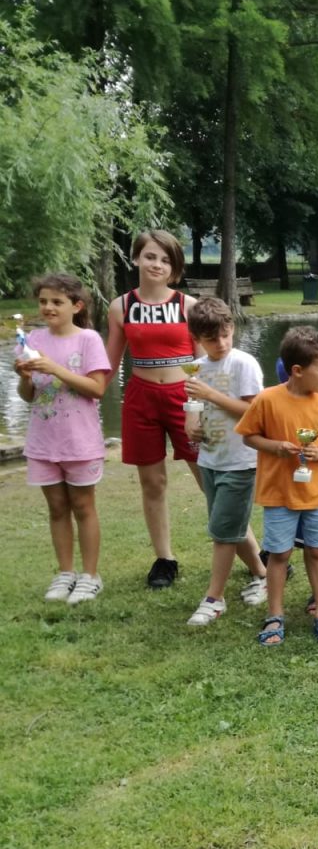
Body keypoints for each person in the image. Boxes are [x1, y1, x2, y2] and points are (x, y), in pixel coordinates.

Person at [235, 327, 318, 647]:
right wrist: (274, 447)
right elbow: (249, 436)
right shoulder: (267, 399)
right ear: (297, 371)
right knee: (280, 553)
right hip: (279, 494)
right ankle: (275, 615)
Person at [106, 231, 205, 587]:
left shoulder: (188, 307)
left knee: (209, 478)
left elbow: (207, 365)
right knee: (153, 482)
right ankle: (165, 559)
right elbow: (108, 364)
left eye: (165, 260)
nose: (156, 265)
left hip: (185, 398)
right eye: (150, 257)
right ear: (136, 259)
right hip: (141, 397)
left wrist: (208, 406)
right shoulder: (121, 307)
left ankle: (252, 551)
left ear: (174, 267)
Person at [16, 274, 111, 604]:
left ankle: (90, 576)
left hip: (79, 441)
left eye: (57, 301)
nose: (48, 307)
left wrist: (55, 368)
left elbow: (97, 388)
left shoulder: (88, 340)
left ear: (76, 305)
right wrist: (24, 377)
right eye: (43, 301)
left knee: (83, 506)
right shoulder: (32, 339)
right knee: (57, 508)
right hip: (43, 441)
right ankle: (65, 573)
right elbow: (28, 396)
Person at [181, 297, 265, 624]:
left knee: (221, 532)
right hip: (211, 458)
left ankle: (214, 599)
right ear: (197, 339)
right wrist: (192, 425)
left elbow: (255, 412)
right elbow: (194, 407)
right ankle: (263, 574)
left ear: (232, 329)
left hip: (240, 461)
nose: (220, 343)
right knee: (230, 524)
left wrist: (210, 395)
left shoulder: (243, 364)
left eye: (225, 334)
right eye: (211, 338)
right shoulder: (198, 367)